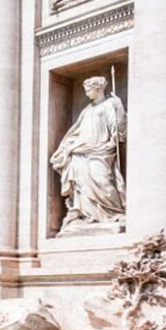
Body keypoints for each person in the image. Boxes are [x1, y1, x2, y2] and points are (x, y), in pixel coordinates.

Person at [50, 76, 126, 230]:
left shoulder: (110, 103)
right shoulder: (87, 109)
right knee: (81, 184)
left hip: (101, 150)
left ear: (98, 88)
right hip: (81, 150)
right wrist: (69, 145)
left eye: (89, 90)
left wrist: (118, 112)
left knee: (102, 180)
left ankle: (114, 212)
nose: (86, 94)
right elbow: (77, 130)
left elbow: (117, 126)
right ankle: (86, 215)